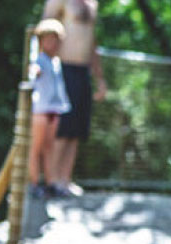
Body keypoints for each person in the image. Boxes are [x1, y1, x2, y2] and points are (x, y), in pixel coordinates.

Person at [42, 0, 107, 197]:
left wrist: (99, 77)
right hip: (62, 68)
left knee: (76, 129)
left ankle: (65, 179)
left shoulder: (92, 3)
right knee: (61, 127)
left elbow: (91, 40)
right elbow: (43, 32)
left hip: (83, 71)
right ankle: (51, 180)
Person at [28, 19, 71, 200]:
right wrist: (34, 71)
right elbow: (33, 70)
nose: (51, 44)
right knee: (36, 147)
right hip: (41, 109)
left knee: (49, 147)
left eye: (54, 39)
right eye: (47, 39)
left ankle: (50, 182)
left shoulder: (56, 62)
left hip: (55, 108)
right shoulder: (39, 60)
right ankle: (34, 183)